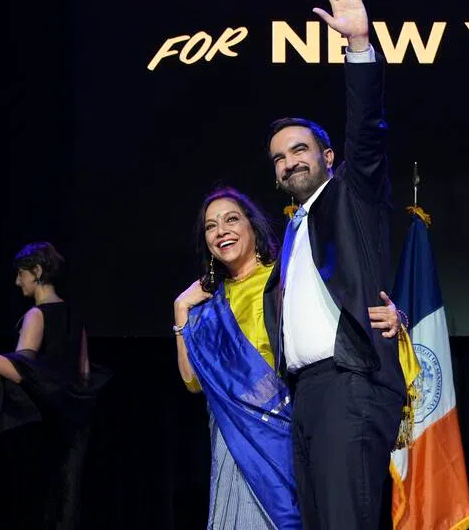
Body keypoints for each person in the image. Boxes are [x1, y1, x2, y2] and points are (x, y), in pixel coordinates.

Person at [262, 0, 410, 529]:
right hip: (308, 396)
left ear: (327, 157)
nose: (289, 162)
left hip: (351, 385)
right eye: (278, 158)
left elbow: (367, 132)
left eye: (300, 150)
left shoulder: (352, 196)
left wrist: (358, 46)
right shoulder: (293, 233)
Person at [174, 187, 408, 530]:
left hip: (285, 429)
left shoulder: (285, 278)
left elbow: (346, 299)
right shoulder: (209, 307)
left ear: (253, 227)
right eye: (211, 226)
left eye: (231, 219)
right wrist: (180, 309)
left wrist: (394, 315)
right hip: (233, 436)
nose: (221, 230)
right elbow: (193, 382)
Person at [0, 242, 108, 530]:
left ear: (37, 271)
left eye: (21, 274)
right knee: (67, 502)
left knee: (39, 502)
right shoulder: (75, 316)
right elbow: (84, 372)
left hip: (41, 423)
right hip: (73, 423)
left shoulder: (36, 315)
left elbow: (20, 372)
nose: (18, 281)